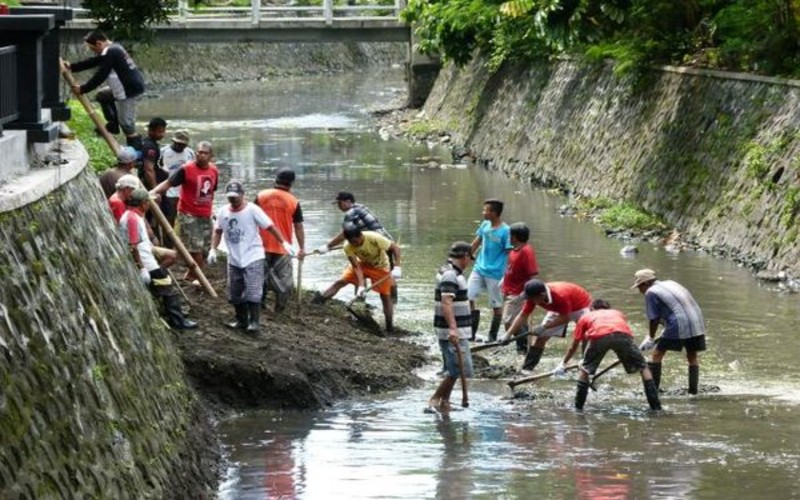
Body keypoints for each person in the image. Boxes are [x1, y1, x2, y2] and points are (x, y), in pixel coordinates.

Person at [207, 181, 292, 334]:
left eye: (236, 197)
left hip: (253, 255)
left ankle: (254, 322)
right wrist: (213, 249)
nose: (233, 200)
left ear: (242, 195)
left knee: (253, 291)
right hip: (234, 258)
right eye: (230, 197)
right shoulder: (223, 212)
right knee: (234, 292)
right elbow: (218, 231)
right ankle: (241, 320)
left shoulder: (253, 210)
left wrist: (283, 242)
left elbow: (270, 226)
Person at [555, 299, 661, 411]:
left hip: (599, 337)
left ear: (591, 309)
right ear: (608, 308)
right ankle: (656, 407)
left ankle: (578, 407)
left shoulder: (586, 316)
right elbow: (622, 331)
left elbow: (574, 345)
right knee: (643, 367)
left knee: (585, 370)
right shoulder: (617, 313)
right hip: (623, 336)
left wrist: (563, 363)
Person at [119, 189, 196, 330]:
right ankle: (178, 321)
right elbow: (133, 246)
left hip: (147, 255)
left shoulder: (133, 215)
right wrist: (142, 268)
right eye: (148, 202)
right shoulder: (132, 219)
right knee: (168, 289)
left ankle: (171, 311)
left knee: (166, 282)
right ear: (143, 203)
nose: (150, 204)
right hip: (146, 262)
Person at [312, 224, 401, 333]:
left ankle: (389, 327)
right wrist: (361, 286)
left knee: (385, 296)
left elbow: (395, 248)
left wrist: (397, 267)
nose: (354, 244)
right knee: (341, 281)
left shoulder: (374, 237)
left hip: (380, 267)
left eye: (355, 242)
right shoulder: (347, 246)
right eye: (351, 242)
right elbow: (356, 267)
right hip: (362, 264)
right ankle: (317, 302)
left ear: (360, 235)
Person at [151, 141, 218, 283]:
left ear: (211, 156)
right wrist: (153, 192)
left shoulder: (214, 171)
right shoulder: (186, 169)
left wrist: (212, 211)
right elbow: (168, 183)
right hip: (189, 215)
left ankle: (190, 275)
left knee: (205, 250)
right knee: (196, 250)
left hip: (205, 215)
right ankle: (199, 278)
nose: (201, 155)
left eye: (205, 153)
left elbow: (212, 192)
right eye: (199, 152)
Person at [62, 31, 145, 146]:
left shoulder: (111, 52)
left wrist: (83, 89)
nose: (94, 51)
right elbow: (94, 61)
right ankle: (113, 125)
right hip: (129, 84)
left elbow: (100, 75)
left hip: (128, 89)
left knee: (127, 124)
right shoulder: (114, 48)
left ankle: (136, 150)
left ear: (99, 43)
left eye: (93, 49)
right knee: (103, 95)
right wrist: (73, 67)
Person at [631, 268, 706, 394]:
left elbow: (654, 319)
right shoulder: (672, 283)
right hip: (696, 321)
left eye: (639, 287)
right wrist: (667, 329)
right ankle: (693, 392)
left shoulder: (651, 292)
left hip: (678, 323)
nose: (640, 290)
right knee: (692, 356)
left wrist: (650, 338)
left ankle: (653, 390)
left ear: (645, 283)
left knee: (657, 354)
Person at [314, 191, 399, 302]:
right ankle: (393, 300)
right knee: (387, 273)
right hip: (382, 242)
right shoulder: (361, 207)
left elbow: (344, 234)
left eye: (340, 203)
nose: (338, 206)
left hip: (378, 244)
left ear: (348, 201)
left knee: (376, 273)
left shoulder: (350, 213)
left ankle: (360, 300)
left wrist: (327, 246)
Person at [502, 279, 593, 373]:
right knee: (540, 338)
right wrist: (508, 334)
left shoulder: (560, 296)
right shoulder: (532, 296)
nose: (530, 301)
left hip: (581, 306)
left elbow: (565, 318)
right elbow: (523, 315)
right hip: (558, 309)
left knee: (586, 336)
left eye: (532, 299)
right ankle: (527, 369)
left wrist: (544, 327)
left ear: (542, 295)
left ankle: (586, 363)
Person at [428, 241, 474, 412]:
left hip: (455, 329)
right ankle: (435, 399)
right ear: (465, 256)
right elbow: (446, 302)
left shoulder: (449, 271)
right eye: (469, 258)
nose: (469, 262)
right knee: (459, 369)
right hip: (453, 331)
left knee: (453, 368)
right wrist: (453, 329)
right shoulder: (450, 275)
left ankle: (444, 401)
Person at [255, 168, 306, 312]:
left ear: (275, 180)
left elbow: (250, 217)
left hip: (260, 244)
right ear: (291, 183)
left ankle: (259, 304)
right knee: (284, 281)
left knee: (260, 276)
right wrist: (302, 248)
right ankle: (279, 308)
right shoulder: (293, 201)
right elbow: (298, 226)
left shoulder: (261, 196)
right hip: (283, 247)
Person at [468, 199, 511, 342]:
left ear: (494, 213)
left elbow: (510, 253)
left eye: (485, 210)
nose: (483, 213)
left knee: (496, 305)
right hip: (479, 268)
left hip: (495, 273)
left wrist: (509, 275)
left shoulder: (506, 231)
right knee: (469, 297)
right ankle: (471, 334)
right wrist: (467, 256)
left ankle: (492, 337)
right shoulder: (485, 225)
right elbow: (477, 241)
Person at [500, 222, 539, 353]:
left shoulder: (527, 251)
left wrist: (530, 295)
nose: (509, 238)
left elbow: (533, 275)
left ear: (515, 237)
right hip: (508, 290)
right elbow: (511, 269)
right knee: (516, 321)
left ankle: (522, 347)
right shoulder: (514, 250)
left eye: (510, 235)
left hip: (518, 293)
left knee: (509, 321)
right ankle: (523, 348)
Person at [159, 130, 194, 229]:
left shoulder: (190, 153)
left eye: (183, 145)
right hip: (169, 190)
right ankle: (168, 236)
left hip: (184, 191)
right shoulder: (163, 152)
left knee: (186, 216)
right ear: (173, 141)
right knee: (170, 215)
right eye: (178, 144)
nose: (180, 146)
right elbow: (158, 169)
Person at [139, 117, 168, 190]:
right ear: (151, 131)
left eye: (164, 131)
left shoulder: (148, 142)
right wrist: (155, 189)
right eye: (160, 132)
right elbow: (149, 169)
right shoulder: (150, 147)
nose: (163, 134)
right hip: (150, 185)